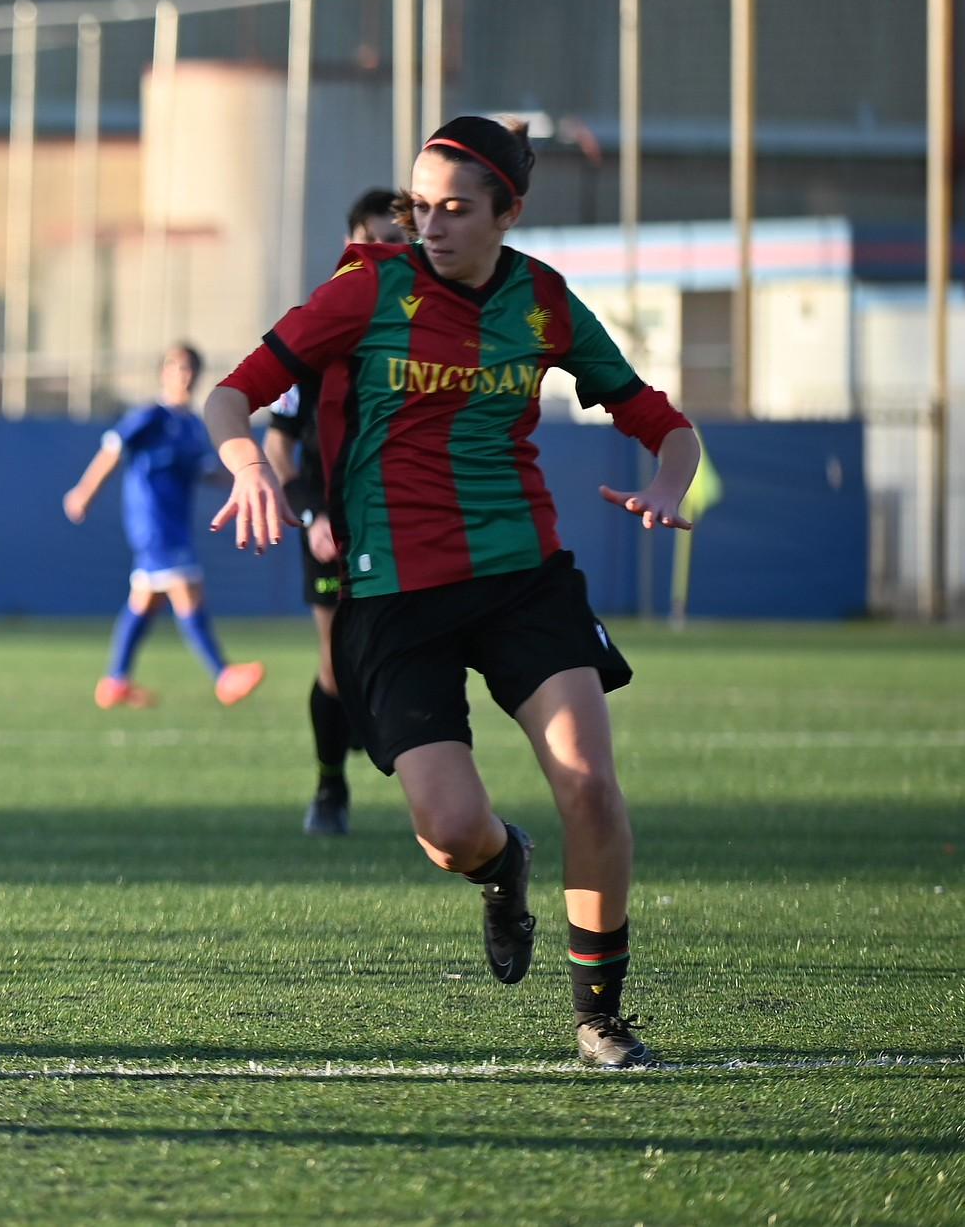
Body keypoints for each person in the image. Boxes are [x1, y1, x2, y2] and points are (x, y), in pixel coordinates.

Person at [202, 115, 699, 1068]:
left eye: (455, 209)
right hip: (391, 595)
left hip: (523, 577)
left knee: (589, 785)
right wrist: (246, 466)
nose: (430, 225)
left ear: (508, 213)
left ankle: (599, 1016)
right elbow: (232, 393)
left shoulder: (544, 302)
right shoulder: (366, 291)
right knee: (450, 830)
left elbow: (662, 423)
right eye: (418, 206)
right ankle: (500, 863)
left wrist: (666, 488)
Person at [264, 189, 409, 836]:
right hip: (329, 524)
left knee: (402, 656)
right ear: (352, 245)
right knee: (334, 663)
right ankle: (329, 788)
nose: (388, 252)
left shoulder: (424, 331)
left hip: (406, 520)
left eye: (398, 241)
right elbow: (278, 447)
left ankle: (430, 785)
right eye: (376, 239)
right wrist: (310, 513)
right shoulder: (319, 330)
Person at [64, 343, 265, 710]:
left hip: (176, 525)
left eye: (191, 369)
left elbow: (205, 470)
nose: (185, 376)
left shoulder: (190, 425)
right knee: (189, 590)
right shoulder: (150, 417)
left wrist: (249, 476)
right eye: (178, 367)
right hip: (154, 525)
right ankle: (223, 675)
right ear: (164, 372)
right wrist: (85, 491)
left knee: (145, 600)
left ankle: (115, 682)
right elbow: (112, 449)